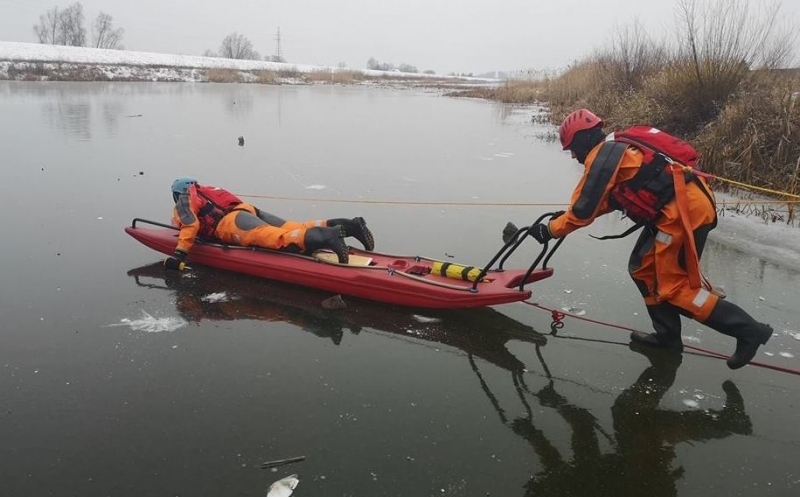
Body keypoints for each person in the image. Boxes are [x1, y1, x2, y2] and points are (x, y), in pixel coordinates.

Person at [529, 109, 772, 369]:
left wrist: (550, 230)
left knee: (675, 289)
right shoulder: (618, 148)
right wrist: (562, 219)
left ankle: (749, 331)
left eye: (572, 149)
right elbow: (609, 199)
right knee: (643, 269)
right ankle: (667, 337)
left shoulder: (602, 156)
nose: (574, 156)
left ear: (582, 140)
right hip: (675, 210)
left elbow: (582, 210)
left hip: (683, 216)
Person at [165, 177, 374, 267]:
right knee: (294, 227)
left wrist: (179, 254)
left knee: (279, 239)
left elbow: (190, 225)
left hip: (230, 224)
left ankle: (328, 236)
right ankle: (350, 226)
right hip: (247, 211)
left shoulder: (184, 200)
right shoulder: (207, 191)